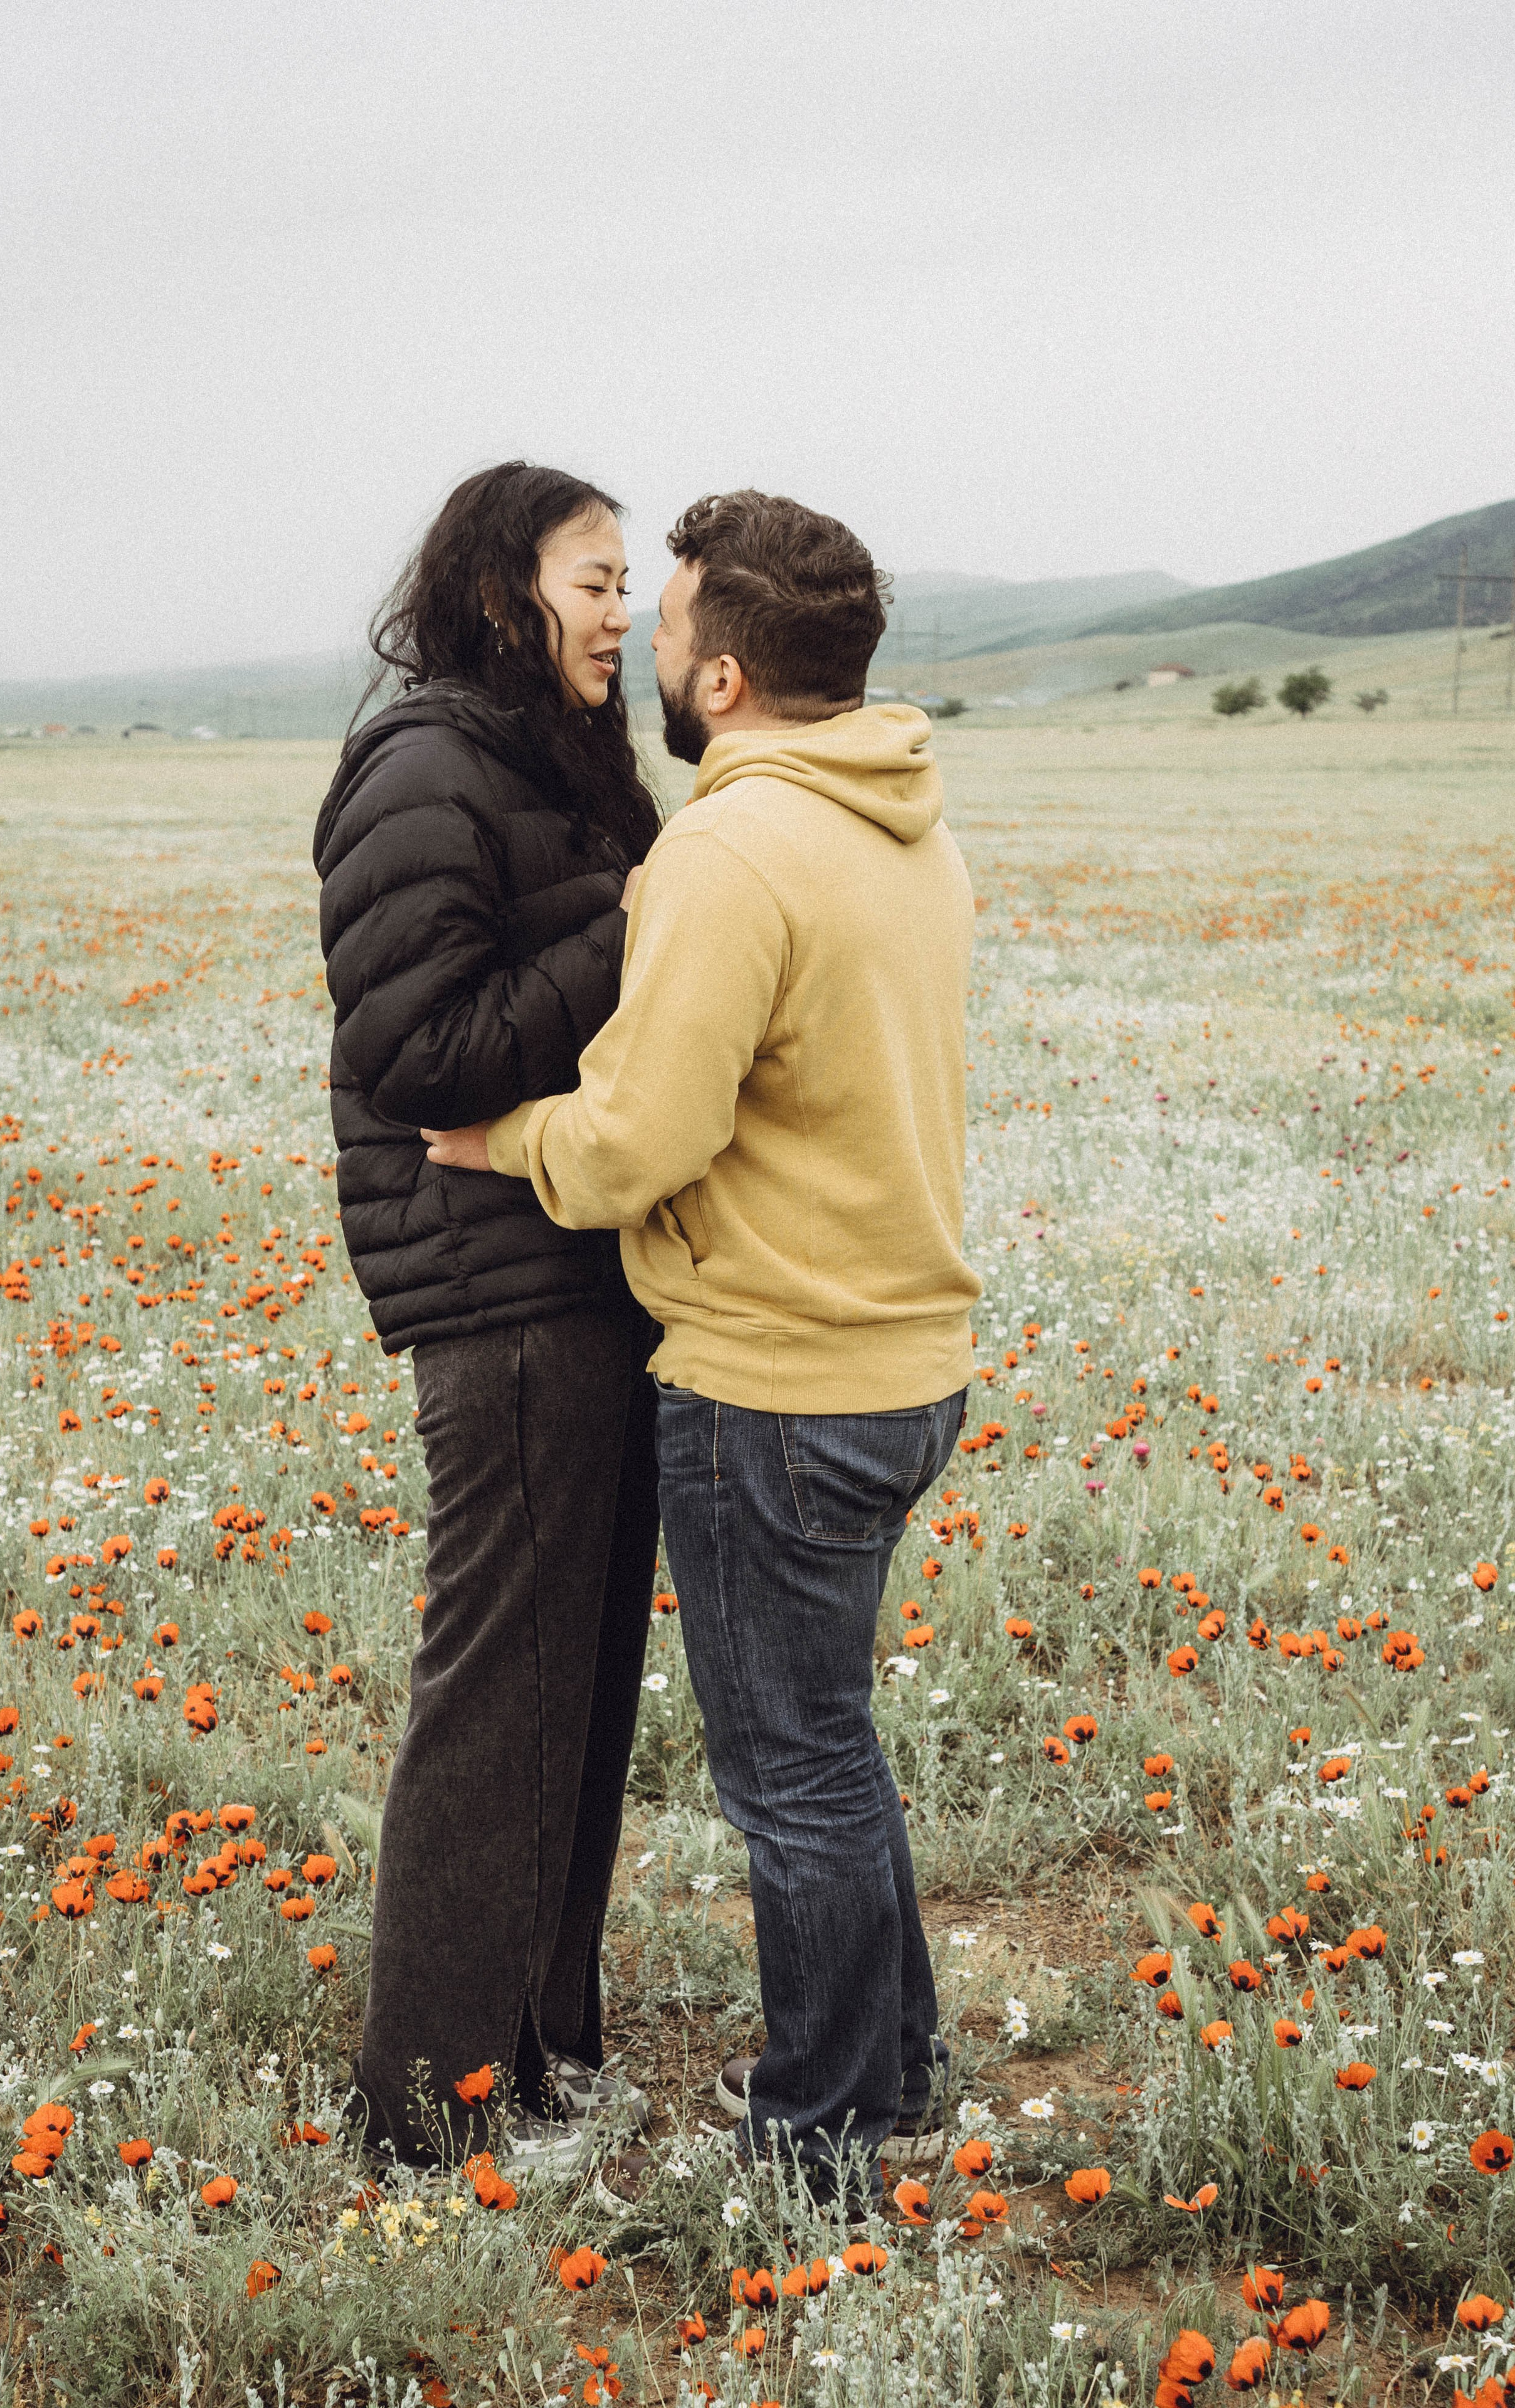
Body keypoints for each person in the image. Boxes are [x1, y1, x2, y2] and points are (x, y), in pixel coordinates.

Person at [425, 488, 982, 2204]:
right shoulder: (901, 814)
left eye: (662, 627)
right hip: (905, 1355)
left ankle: (817, 2137)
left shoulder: (733, 850)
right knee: (833, 1738)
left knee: (791, 1770)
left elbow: (634, 1143)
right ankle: (898, 2079)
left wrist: (499, 1137)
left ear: (724, 677)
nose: (641, 649)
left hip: (775, 1376)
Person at [313, 461, 665, 2173]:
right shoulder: (426, 764)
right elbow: (424, 1051)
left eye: (629, 582)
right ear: (500, 590)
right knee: (501, 1696)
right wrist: (633, 922)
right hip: (502, 1280)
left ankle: (542, 2057)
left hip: (590, 1265)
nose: (628, 611)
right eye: (595, 578)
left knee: (582, 1687)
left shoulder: (551, 764)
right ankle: (426, 2114)